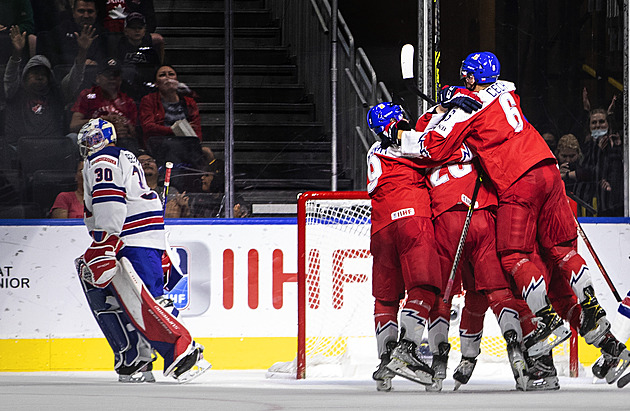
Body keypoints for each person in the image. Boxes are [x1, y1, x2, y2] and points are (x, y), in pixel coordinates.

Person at [388, 51, 630, 383]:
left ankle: (543, 338)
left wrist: (428, 119)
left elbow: (431, 147)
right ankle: (608, 341)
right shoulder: (506, 91)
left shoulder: (465, 111)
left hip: (517, 186)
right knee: (562, 260)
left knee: (514, 261)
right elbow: (482, 101)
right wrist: (454, 97)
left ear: (472, 78)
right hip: (549, 171)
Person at [75, 117, 210, 382]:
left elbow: (109, 199)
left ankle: (182, 351)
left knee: (144, 299)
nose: (87, 147)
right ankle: (136, 358)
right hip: (137, 236)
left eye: (90, 140)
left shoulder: (102, 158)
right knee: (120, 298)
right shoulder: (122, 155)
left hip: (131, 236)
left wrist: (107, 240)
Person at [3, 26, 66, 144]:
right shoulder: (15, 92)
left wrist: (82, 55)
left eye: (44, 74)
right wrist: (17, 53)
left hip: (51, 146)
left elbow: (73, 81)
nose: (40, 77)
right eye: (35, 73)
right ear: (26, 76)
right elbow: (10, 76)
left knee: (72, 138)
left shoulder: (56, 94)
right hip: (20, 147)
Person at [69, 57, 138, 140]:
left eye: (115, 75)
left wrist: (125, 130)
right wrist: (102, 121)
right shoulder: (87, 96)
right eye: (108, 75)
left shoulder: (128, 101)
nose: (112, 78)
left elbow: (135, 133)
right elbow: (74, 126)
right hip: (92, 141)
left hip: (120, 142)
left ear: (120, 80)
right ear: (97, 78)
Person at [139, 65, 203, 147]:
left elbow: (196, 128)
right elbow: (148, 127)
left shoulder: (189, 102)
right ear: (156, 83)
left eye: (171, 74)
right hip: (160, 144)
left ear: (176, 79)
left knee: (206, 152)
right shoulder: (149, 100)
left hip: (186, 145)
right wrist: (174, 130)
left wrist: (197, 144)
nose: (168, 78)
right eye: (162, 75)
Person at [44, 0, 107, 68]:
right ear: (73, 13)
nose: (86, 16)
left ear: (96, 13)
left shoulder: (104, 34)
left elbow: (108, 59)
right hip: (65, 75)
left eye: (90, 11)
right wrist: (80, 61)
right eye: (81, 11)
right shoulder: (58, 32)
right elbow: (52, 58)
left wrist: (97, 63)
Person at [116, 12, 161, 102]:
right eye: (133, 28)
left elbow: (157, 68)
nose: (137, 30)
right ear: (126, 31)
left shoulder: (151, 50)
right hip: (124, 89)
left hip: (147, 89)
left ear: (144, 30)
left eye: (140, 28)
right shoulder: (118, 47)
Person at [137, 151, 190, 218]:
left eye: (150, 161)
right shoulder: (130, 193)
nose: (147, 163)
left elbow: (174, 215)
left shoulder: (170, 191)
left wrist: (185, 210)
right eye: (141, 162)